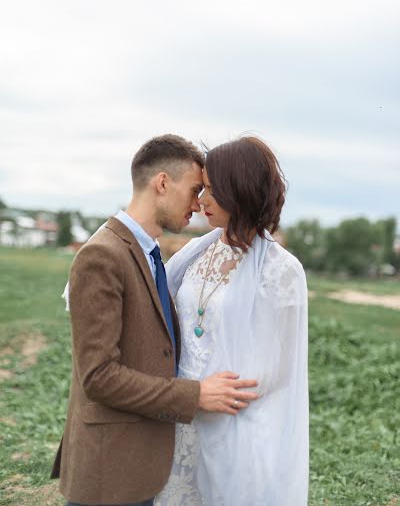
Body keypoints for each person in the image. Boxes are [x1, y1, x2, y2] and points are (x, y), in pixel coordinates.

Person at [51, 134, 260, 506]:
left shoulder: (149, 253)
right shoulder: (103, 255)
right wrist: (196, 395)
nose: (198, 204)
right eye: (195, 189)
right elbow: (98, 376)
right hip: (109, 468)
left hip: (140, 462)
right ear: (163, 183)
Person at [154, 136, 309, 506]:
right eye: (202, 188)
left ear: (239, 190)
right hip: (179, 414)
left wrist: (211, 394)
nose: (202, 200)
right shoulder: (194, 253)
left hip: (233, 421)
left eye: (211, 189)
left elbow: (276, 366)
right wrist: (185, 395)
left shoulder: (281, 270)